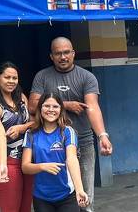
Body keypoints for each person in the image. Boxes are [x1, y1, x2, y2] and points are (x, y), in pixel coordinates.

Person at [29, 39, 112, 211]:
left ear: (73, 53)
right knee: (56, 196)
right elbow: (32, 105)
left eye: (67, 52)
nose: (63, 56)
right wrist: (67, 105)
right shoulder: (42, 76)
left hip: (83, 141)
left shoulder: (86, 77)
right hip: (53, 145)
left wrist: (102, 135)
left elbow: (92, 107)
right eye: (58, 53)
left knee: (85, 196)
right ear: (51, 56)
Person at [22, 91, 88, 212]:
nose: (51, 109)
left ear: (61, 109)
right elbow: (25, 167)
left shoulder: (67, 132)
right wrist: (41, 167)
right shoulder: (31, 133)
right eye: (47, 106)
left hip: (67, 195)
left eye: (55, 106)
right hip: (41, 197)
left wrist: (79, 190)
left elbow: (72, 159)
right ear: (40, 108)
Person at [0, 62, 33, 212]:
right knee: (11, 209)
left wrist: (22, 127)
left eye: (15, 78)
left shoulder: (22, 98)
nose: (11, 81)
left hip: (26, 160)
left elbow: (34, 122)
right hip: (6, 162)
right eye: (7, 77)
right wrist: (3, 164)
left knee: (25, 208)